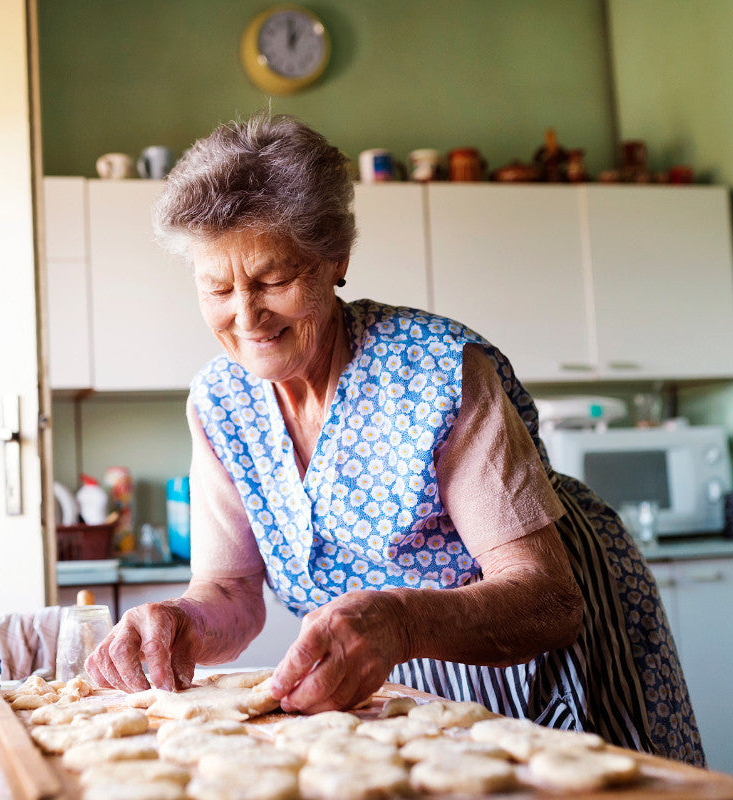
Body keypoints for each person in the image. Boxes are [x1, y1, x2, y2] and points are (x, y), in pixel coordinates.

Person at [84, 113, 704, 766]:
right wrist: (179, 623)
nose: (246, 315)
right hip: (397, 659)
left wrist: (402, 622)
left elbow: (546, 598)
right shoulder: (220, 403)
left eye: (272, 280)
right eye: (216, 287)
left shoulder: (437, 371)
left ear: (334, 258)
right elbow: (231, 592)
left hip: (536, 640)